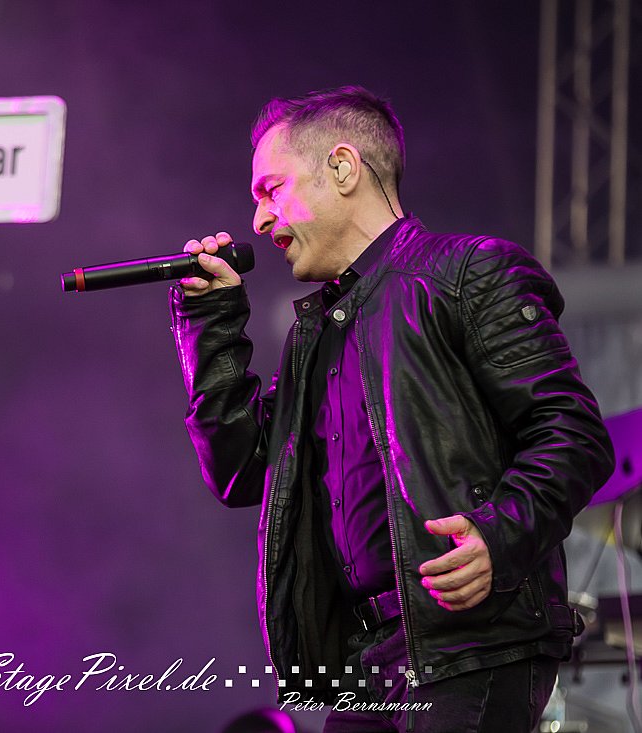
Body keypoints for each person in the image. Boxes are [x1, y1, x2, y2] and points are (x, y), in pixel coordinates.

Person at [169, 86, 615, 732]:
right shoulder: (315, 335)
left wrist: (499, 535)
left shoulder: (465, 273)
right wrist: (210, 323)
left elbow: (573, 432)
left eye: (271, 189)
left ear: (343, 168)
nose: (259, 221)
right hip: (364, 662)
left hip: (469, 646)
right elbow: (239, 471)